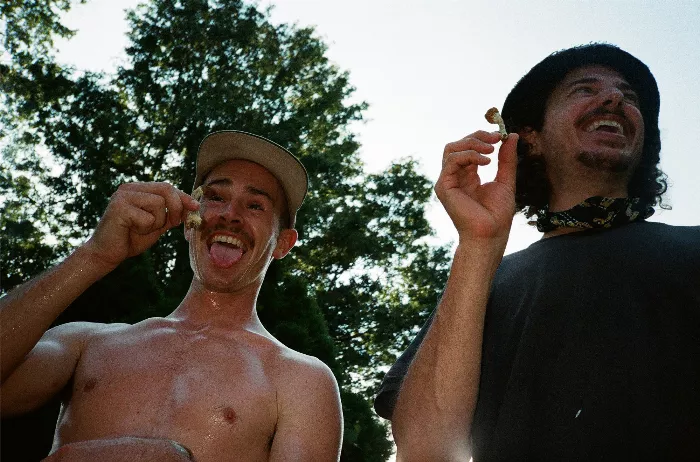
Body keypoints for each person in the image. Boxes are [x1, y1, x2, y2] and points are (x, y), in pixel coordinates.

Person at [375, 43, 700, 461]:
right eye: (584, 90)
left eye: (629, 96)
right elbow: (424, 449)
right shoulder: (482, 283)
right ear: (532, 138)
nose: (615, 98)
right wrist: (478, 245)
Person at [1, 131, 343, 461]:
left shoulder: (302, 380)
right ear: (188, 220)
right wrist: (94, 255)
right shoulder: (85, 343)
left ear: (282, 243)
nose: (229, 215)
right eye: (216, 197)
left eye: (255, 205)